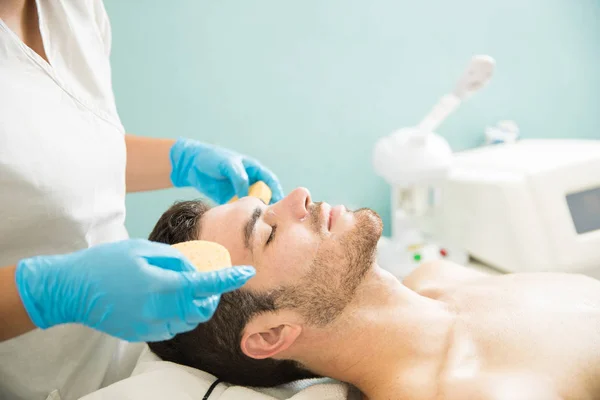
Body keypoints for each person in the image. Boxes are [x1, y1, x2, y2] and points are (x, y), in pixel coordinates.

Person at [0, 1, 283, 399]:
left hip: (127, 360)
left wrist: (178, 160)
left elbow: (51, 162)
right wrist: (49, 292)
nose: (303, 200)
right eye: (265, 234)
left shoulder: (76, 9)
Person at [147, 188, 600, 400]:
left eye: (272, 203)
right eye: (267, 232)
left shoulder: (441, 279)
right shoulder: (469, 393)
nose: (300, 198)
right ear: (272, 334)